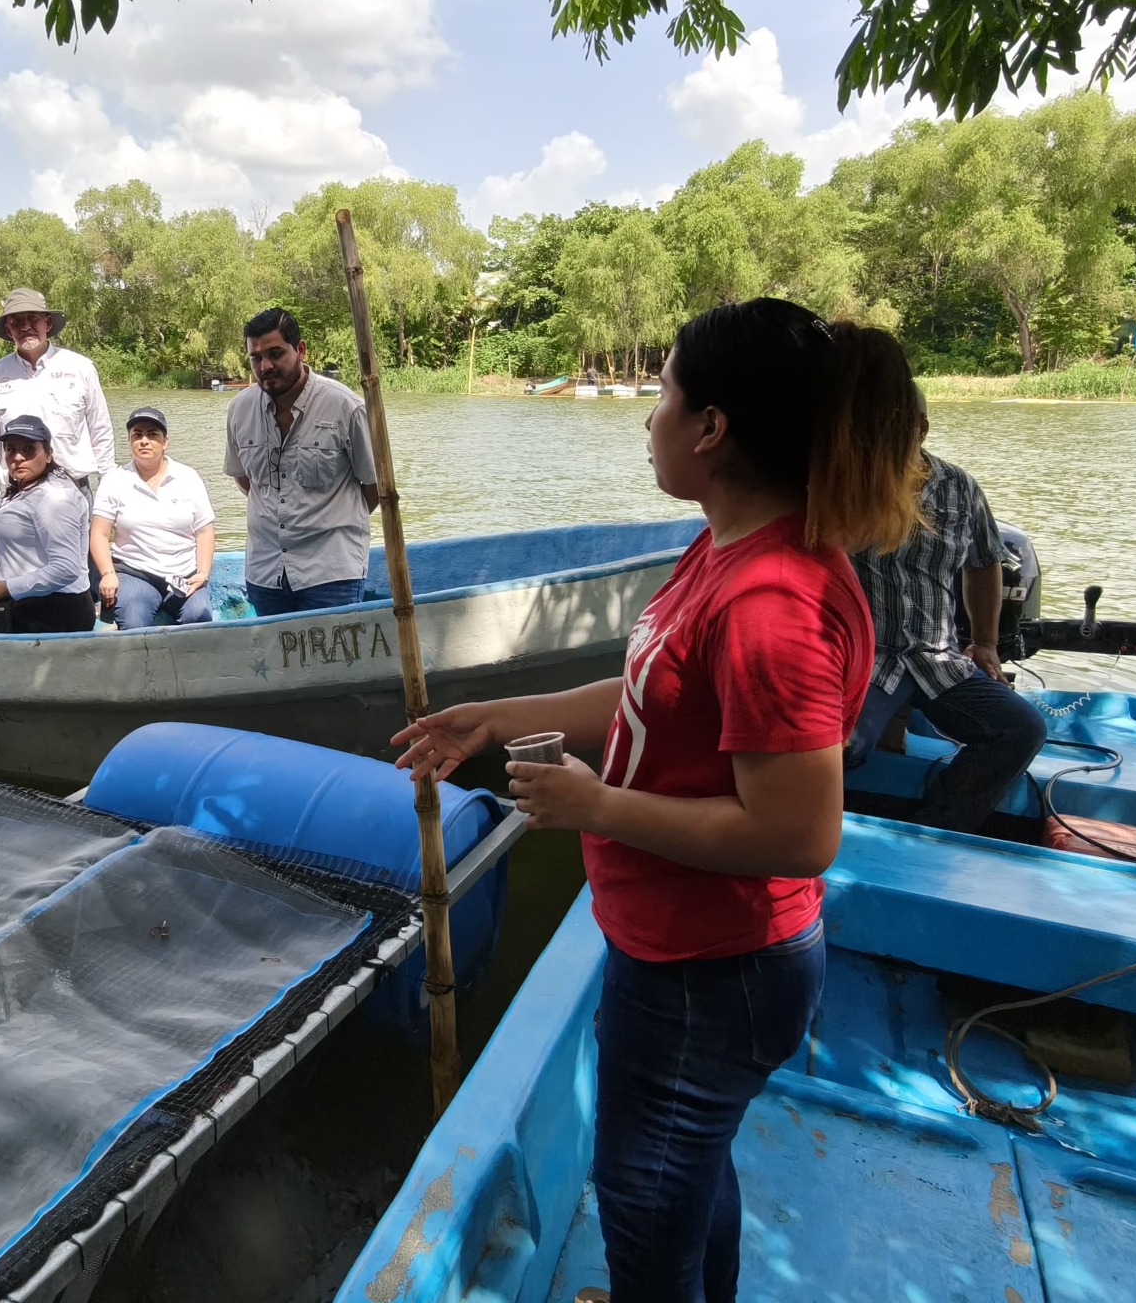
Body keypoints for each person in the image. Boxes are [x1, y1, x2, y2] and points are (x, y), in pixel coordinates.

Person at [391, 300, 921, 1303]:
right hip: (681, 952)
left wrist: (596, 809)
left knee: (645, 1212)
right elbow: (650, 695)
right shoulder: (725, 545)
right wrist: (499, 715)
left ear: (712, 428)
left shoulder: (770, 601)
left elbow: (799, 832)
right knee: (689, 1177)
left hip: (707, 974)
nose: (649, 417)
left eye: (666, 392)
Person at [843, 400, 1048, 839]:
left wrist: (987, 643)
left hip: (939, 658)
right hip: (869, 659)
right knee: (842, 749)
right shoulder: (848, 484)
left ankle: (935, 831)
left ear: (922, 428)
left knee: (1021, 729)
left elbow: (984, 564)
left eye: (896, 427)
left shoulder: (961, 487)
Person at [223, 306, 377, 616]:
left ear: (301, 350)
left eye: (276, 353)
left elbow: (374, 487)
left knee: (336, 664)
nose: (265, 366)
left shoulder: (346, 407)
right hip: (266, 571)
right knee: (273, 663)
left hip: (331, 572)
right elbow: (244, 477)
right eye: (256, 358)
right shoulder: (239, 410)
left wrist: (326, 520)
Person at [0, 415, 95, 634]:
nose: (18, 457)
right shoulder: (25, 487)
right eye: (11, 449)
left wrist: (8, 587)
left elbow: (66, 568)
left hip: (53, 613)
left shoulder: (56, 499)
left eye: (29, 449)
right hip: (23, 604)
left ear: (48, 454)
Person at [91, 405, 217, 628]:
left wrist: (203, 573)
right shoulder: (115, 480)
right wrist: (108, 573)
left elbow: (205, 530)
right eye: (137, 435)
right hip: (135, 572)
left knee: (199, 617)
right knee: (133, 621)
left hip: (183, 574)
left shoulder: (188, 477)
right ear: (130, 441)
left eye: (152, 435)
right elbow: (99, 533)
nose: (144, 441)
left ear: (165, 442)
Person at [0, 287, 115, 488]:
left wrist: (108, 491)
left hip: (73, 488)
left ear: (47, 323)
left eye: (32, 318)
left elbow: (100, 431)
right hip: (17, 492)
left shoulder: (81, 368)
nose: (25, 327)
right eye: (16, 321)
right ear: (9, 330)